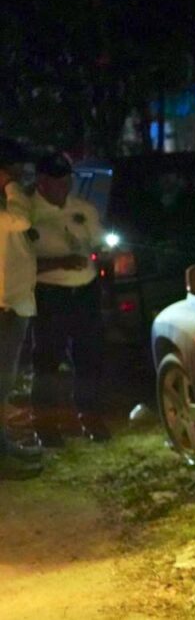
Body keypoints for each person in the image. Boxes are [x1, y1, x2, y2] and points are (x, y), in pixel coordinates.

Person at [30, 153, 110, 446]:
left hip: (85, 291)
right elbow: (18, 264)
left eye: (67, 182)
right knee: (48, 361)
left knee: (89, 357)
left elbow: (100, 242)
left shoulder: (83, 209)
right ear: (41, 181)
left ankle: (90, 418)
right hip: (49, 294)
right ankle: (46, 427)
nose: (64, 188)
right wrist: (59, 263)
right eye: (57, 183)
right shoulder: (26, 215)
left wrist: (104, 254)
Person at [0, 140, 42, 479]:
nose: (18, 177)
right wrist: (11, 186)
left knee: (4, 383)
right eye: (13, 171)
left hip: (13, 303)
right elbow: (20, 221)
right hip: (4, 306)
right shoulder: (10, 206)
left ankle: (4, 445)